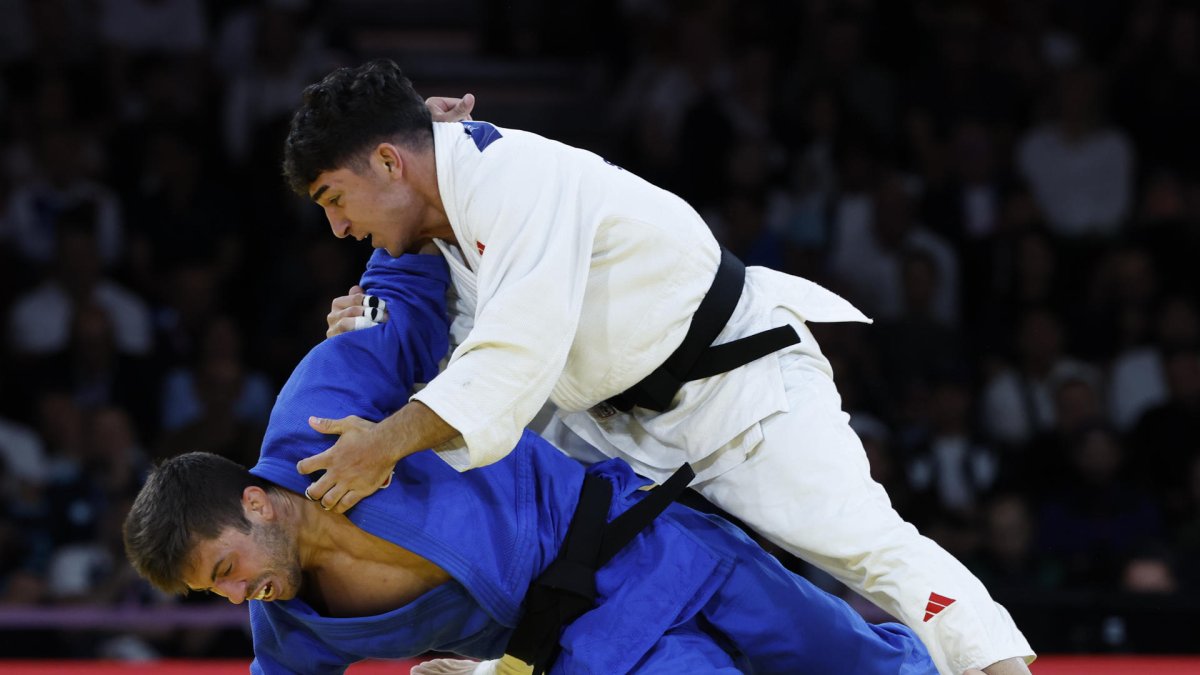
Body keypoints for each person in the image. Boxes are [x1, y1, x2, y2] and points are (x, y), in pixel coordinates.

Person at [282, 60, 1033, 675]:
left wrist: (381, 444)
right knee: (570, 553)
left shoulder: (512, 178)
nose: (340, 227)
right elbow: (471, 344)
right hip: (622, 427)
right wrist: (370, 324)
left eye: (335, 198)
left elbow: (511, 356)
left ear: (388, 161)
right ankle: (500, 667)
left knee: (867, 547)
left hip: (738, 393)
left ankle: (999, 667)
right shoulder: (442, 211)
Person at [122, 250, 938, 674]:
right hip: (593, 648)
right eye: (216, 590)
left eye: (226, 566)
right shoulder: (293, 626)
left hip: (644, 538)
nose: (237, 594)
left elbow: (403, 290)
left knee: (854, 660)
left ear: (257, 503)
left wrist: (435, 150)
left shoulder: (320, 413)